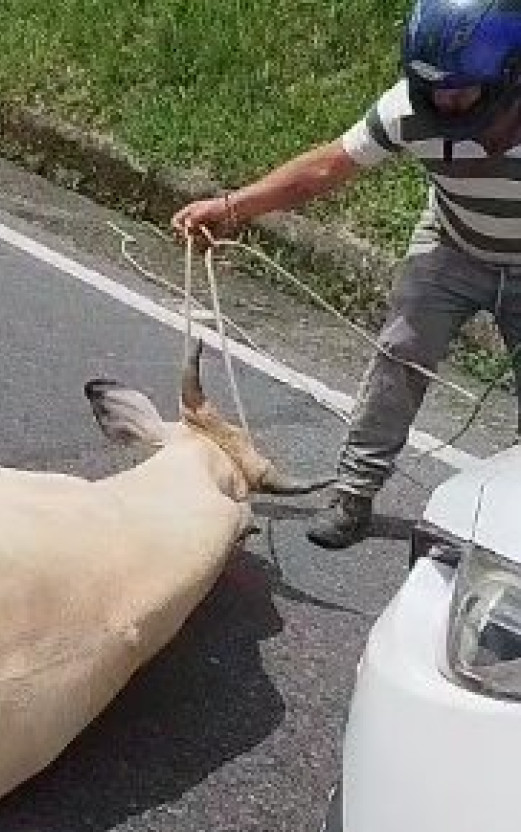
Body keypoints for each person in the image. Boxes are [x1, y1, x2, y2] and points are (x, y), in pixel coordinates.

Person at [172, 0, 521, 549]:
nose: (444, 103)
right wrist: (232, 208)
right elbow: (323, 168)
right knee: (399, 354)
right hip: (452, 246)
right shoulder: (407, 109)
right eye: (433, 89)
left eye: (461, 92)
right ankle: (353, 495)